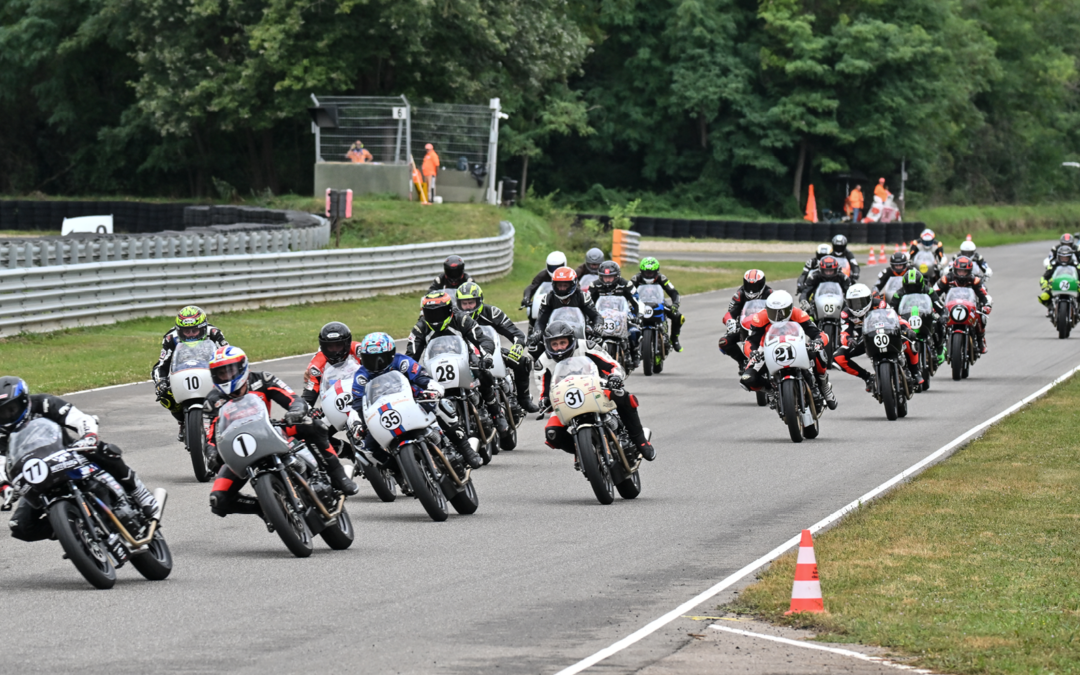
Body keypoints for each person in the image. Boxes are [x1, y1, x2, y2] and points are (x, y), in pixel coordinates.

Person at [206, 346, 359, 519]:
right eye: (220, 373)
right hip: (240, 450)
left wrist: (296, 411)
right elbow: (210, 437)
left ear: (242, 367)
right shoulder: (212, 401)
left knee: (313, 425)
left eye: (229, 370)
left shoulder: (262, 379)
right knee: (218, 500)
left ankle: (338, 475)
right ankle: (264, 508)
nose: (226, 376)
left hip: (270, 432)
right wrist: (211, 453)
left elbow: (293, 399)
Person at [0, 376, 159, 542]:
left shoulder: (44, 403)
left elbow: (81, 419)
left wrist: (89, 436)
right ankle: (74, 530)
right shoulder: (1, 432)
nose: (7, 415)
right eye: (1, 412)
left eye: (11, 408)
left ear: (24, 400)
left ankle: (139, 492)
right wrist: (4, 485)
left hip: (68, 455)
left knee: (103, 449)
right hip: (37, 477)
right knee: (21, 527)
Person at [347, 332, 482, 470]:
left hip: (413, 401)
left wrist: (432, 387)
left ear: (391, 354)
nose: (376, 364)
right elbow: (358, 403)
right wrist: (361, 423)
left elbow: (421, 377)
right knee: (366, 451)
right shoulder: (361, 375)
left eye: (381, 358)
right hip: (384, 413)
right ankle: (399, 472)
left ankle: (466, 449)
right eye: (370, 359)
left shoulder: (401, 361)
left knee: (441, 406)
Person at [536, 321, 656, 461]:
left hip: (597, 389)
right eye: (554, 344)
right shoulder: (542, 362)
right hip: (566, 401)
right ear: (548, 344)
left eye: (563, 342)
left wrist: (614, 377)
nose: (559, 348)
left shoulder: (587, 346)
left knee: (623, 396)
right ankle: (581, 451)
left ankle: (641, 441)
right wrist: (544, 401)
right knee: (552, 433)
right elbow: (544, 391)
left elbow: (612, 365)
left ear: (571, 340)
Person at [405, 291, 507, 434]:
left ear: (449, 310)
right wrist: (407, 372)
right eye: (430, 313)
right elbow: (411, 355)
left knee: (483, 374)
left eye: (439, 313)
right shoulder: (420, 328)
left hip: (464, 358)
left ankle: (496, 412)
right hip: (435, 364)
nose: (435, 318)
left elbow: (482, 339)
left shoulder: (462, 319)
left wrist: (487, 356)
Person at [739, 291, 837, 409]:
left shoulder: (798, 314)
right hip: (767, 348)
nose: (777, 316)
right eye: (773, 312)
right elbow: (750, 341)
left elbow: (819, 334)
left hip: (796, 344)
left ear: (790, 309)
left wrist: (818, 342)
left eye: (782, 312)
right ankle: (770, 390)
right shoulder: (760, 318)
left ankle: (823, 384)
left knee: (818, 351)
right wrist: (753, 353)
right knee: (747, 379)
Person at [455, 281, 540, 413]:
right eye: (464, 304)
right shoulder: (454, 318)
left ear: (479, 301)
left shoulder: (491, 313)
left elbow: (516, 334)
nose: (467, 307)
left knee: (522, 362)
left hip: (491, 351)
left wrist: (517, 347)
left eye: (471, 302)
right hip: (466, 356)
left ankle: (524, 399)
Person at [151, 305, 230, 442]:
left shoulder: (214, 333)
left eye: (195, 330)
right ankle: (182, 422)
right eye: (187, 331)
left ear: (203, 327)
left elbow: (228, 355)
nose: (191, 334)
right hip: (181, 374)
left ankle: (229, 420)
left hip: (209, 373)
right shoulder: (170, 339)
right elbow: (161, 365)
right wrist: (160, 382)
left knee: (230, 390)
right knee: (164, 395)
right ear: (179, 330)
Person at [833, 284, 924, 393]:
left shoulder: (880, 304)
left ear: (869, 299)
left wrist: (907, 329)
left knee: (909, 340)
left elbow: (896, 318)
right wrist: (849, 340)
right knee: (838, 357)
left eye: (860, 302)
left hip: (887, 334)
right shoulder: (845, 313)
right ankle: (867, 378)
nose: (857, 306)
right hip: (865, 340)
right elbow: (844, 332)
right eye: (853, 303)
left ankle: (915, 371)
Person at [933, 256, 992, 354]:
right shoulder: (946, 279)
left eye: (964, 271)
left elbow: (983, 295)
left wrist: (987, 305)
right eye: (959, 271)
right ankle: (939, 344)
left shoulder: (975, 280)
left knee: (981, 316)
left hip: (969, 308)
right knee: (937, 321)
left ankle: (981, 340)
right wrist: (932, 306)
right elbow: (933, 293)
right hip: (950, 307)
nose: (961, 274)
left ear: (969, 271)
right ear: (955, 270)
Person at [589, 260, 642, 367]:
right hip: (602, 318)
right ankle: (591, 357)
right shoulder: (594, 286)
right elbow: (588, 303)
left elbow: (636, 301)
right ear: (600, 276)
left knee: (634, 331)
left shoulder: (627, 285)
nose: (607, 280)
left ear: (617, 276)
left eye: (610, 277)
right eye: (605, 277)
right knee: (589, 333)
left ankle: (634, 354)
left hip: (622, 317)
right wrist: (589, 317)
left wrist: (637, 315)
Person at [718, 270, 772, 370]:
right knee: (724, 342)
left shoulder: (770, 294)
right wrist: (730, 321)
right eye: (749, 286)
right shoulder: (740, 294)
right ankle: (743, 361)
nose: (752, 290)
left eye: (755, 286)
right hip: (744, 327)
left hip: (765, 327)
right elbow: (730, 312)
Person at [531, 267, 602, 342]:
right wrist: (537, 332)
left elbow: (596, 316)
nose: (562, 289)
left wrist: (598, 326)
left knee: (598, 341)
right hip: (555, 336)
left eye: (565, 285)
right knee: (534, 348)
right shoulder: (548, 299)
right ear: (554, 285)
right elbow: (540, 321)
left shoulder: (582, 296)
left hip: (579, 334)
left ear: (573, 284)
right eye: (559, 285)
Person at [301, 322, 362, 407]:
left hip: (361, 401)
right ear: (323, 347)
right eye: (330, 346)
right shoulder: (317, 363)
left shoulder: (359, 350)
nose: (335, 350)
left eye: (338, 345)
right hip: (332, 408)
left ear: (347, 344)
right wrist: (303, 408)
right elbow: (308, 396)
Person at [630, 257, 684, 352]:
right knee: (627, 318)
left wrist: (675, 304)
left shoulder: (662, 278)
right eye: (646, 273)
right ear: (641, 271)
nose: (649, 275)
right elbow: (627, 291)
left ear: (657, 272)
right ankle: (631, 345)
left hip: (658, 302)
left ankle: (674, 339)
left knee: (679, 317)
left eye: (651, 273)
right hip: (641, 304)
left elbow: (674, 292)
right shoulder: (636, 278)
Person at [1040, 245, 1080, 313]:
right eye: (1062, 258)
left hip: (1074, 285)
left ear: (1070, 257)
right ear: (1058, 257)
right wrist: (1044, 283)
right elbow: (1045, 276)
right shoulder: (1053, 265)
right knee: (1044, 297)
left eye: (1066, 258)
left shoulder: (1076, 265)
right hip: (1055, 285)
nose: (1064, 259)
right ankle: (1051, 308)